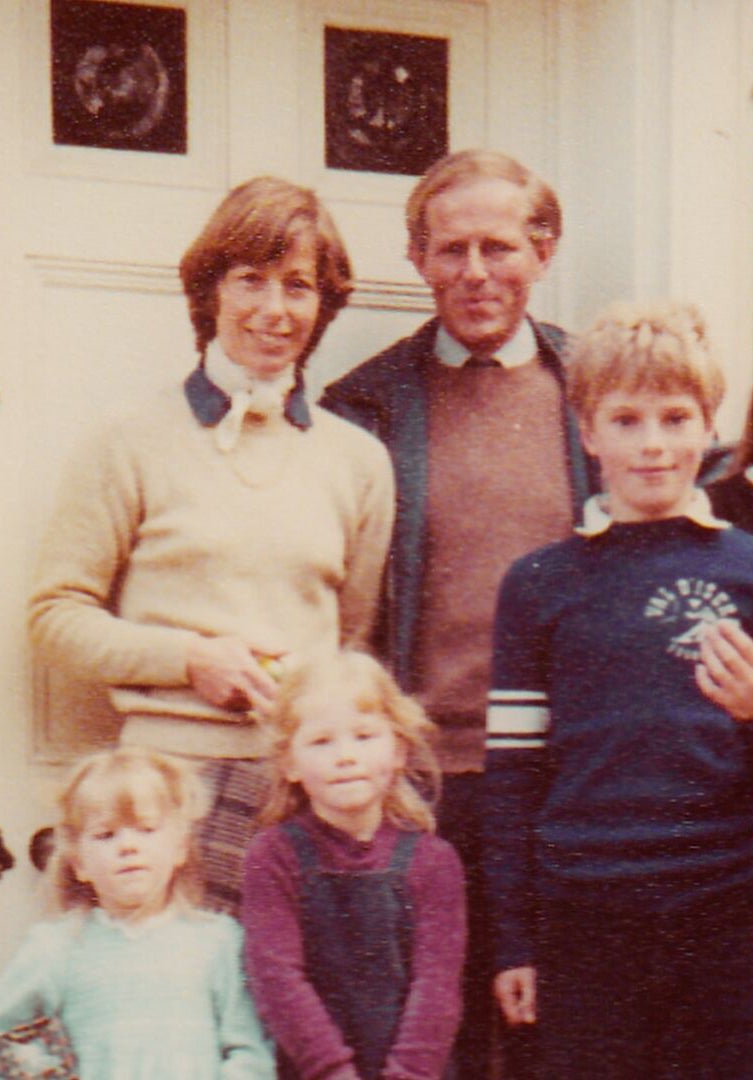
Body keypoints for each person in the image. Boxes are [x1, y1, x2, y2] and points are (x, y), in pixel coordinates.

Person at [28, 176, 395, 914]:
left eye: (297, 286)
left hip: (296, 785)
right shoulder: (127, 439)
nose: (273, 310)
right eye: (249, 281)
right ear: (209, 291)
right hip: (158, 787)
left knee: (280, 1013)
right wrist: (186, 660)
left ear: (322, 304)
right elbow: (54, 618)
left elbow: (352, 635)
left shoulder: (357, 461)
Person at [320, 148, 596, 1075]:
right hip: (422, 773)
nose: (475, 274)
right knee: (420, 1029)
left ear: (543, 250)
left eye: (498, 247)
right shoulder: (365, 404)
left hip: (562, 771)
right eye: (450, 251)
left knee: (547, 1025)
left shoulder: (591, 390)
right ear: (416, 257)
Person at [484, 300, 753, 1078]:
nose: (653, 445)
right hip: (584, 919)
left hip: (724, 912)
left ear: (709, 426)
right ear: (586, 431)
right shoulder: (538, 586)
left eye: (675, 418)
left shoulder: (746, 572)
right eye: (627, 420)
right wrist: (515, 940)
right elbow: (511, 778)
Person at [242, 650, 466, 1080]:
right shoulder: (273, 856)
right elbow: (277, 979)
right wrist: (331, 1070)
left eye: (364, 736)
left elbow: (437, 987)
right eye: (321, 741)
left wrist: (409, 1073)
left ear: (398, 749)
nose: (345, 756)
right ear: (289, 763)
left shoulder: (434, 861)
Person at [0, 746, 275, 1079]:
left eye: (146, 829)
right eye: (106, 835)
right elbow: (7, 1034)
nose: (128, 846)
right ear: (79, 863)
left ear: (180, 847)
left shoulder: (218, 942)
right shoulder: (55, 946)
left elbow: (250, 1049)